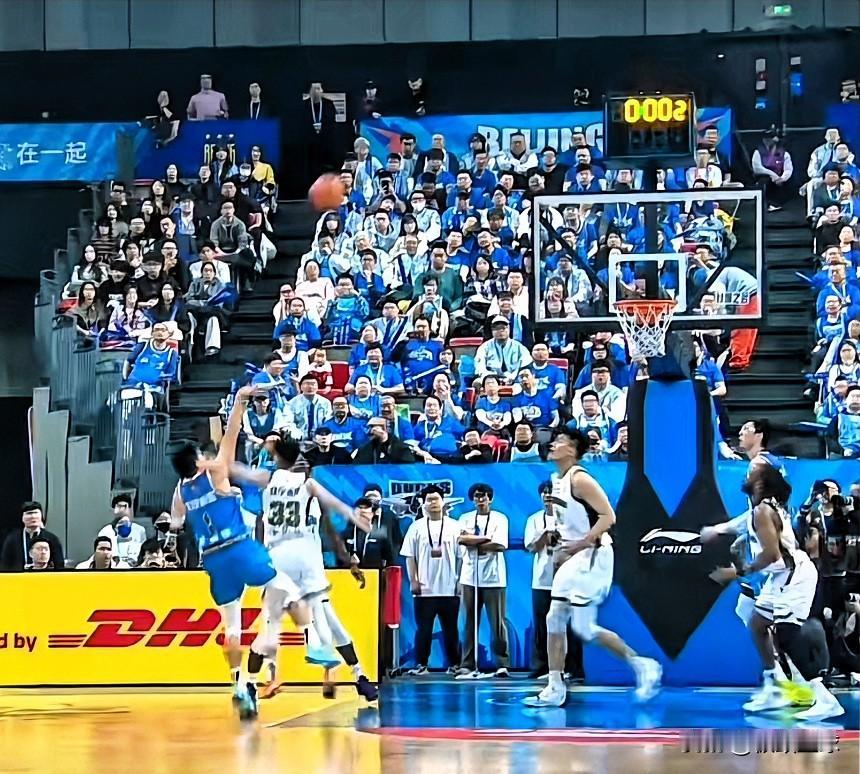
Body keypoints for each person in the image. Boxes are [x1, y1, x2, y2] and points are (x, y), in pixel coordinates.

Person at [233, 434, 377, 702]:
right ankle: (250, 683)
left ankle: (359, 677)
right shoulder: (292, 488)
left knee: (332, 626)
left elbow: (331, 534)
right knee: (271, 629)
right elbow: (263, 526)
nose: (300, 466)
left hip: (304, 569)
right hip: (288, 566)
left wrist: (349, 561)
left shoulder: (303, 492)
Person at [524, 428, 661, 707]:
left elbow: (608, 516)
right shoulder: (557, 480)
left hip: (594, 554)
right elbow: (570, 521)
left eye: (560, 441)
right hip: (576, 556)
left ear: (573, 450)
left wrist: (580, 544)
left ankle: (557, 686)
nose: (553, 444)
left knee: (559, 618)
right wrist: (563, 546)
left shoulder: (580, 479)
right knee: (579, 626)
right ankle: (640, 665)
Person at [169, 385, 282, 719]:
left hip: (212, 559)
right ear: (197, 461)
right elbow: (231, 433)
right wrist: (241, 400)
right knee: (280, 587)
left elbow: (175, 524)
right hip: (238, 547)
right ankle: (266, 653)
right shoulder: (215, 471)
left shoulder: (180, 490)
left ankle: (238, 683)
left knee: (231, 626)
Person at [709, 464, 844, 720]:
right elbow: (761, 539)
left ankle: (825, 698)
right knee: (757, 624)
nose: (747, 475)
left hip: (795, 575)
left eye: (753, 473)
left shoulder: (763, 510)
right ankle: (775, 685)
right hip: (779, 576)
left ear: (761, 483)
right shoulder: (763, 508)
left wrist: (737, 571)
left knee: (786, 634)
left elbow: (772, 555)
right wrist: (734, 543)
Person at [401, 485, 462, 675]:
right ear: (423, 503)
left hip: (449, 588)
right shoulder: (416, 527)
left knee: (451, 629)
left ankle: (455, 665)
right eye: (429, 500)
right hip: (424, 589)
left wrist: (460, 581)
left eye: (436, 499)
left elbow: (462, 557)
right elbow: (409, 556)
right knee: (424, 629)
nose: (433, 503)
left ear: (443, 502)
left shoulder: (455, 526)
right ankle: (421, 665)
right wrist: (413, 580)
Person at [525, 481, 582, 679]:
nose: (548, 496)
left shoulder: (570, 519)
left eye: (552, 492)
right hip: (542, 580)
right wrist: (544, 534)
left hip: (567, 580)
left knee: (570, 625)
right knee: (542, 624)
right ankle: (542, 667)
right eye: (544, 492)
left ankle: (573, 668)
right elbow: (531, 547)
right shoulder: (534, 519)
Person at [454, 483, 510, 679]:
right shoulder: (465, 518)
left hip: (494, 578)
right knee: (469, 622)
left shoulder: (500, 518)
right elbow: (461, 540)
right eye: (477, 496)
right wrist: (486, 539)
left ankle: (502, 664)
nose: (481, 499)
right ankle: (467, 664)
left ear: (490, 499)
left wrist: (474, 540)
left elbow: (500, 545)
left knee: (497, 623)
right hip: (470, 577)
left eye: (485, 496)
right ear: (472, 499)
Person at [1, 501, 65, 571]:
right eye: (29, 513)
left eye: (36, 513)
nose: (33, 516)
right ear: (22, 517)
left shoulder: (52, 539)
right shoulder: (12, 539)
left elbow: (59, 564)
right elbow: (5, 564)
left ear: (41, 516)